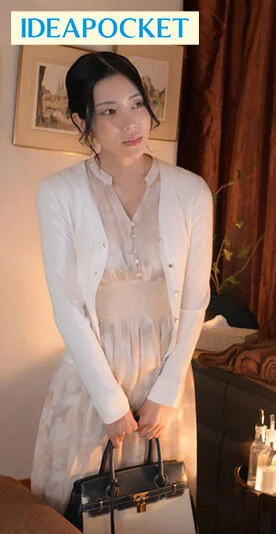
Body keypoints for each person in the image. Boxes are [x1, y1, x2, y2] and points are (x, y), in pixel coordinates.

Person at [31, 51, 212, 513]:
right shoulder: (59, 193)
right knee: (75, 503)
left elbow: (195, 301)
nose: (130, 123)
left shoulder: (191, 191)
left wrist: (166, 392)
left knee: (157, 504)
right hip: (93, 375)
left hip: (164, 374)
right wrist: (110, 402)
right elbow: (67, 305)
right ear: (82, 121)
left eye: (137, 104)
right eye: (109, 112)